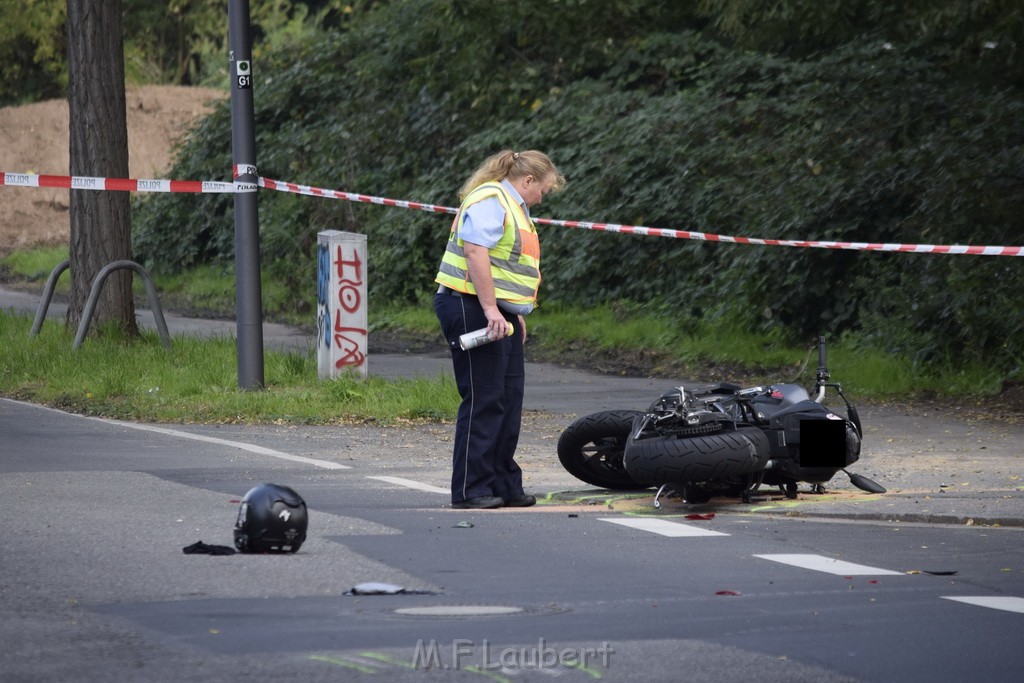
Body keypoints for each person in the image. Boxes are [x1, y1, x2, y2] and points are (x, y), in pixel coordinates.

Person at [434, 149, 565, 509]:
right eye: (544, 190)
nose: (543, 197)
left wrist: (510, 311)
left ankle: (505, 484)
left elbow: (502, 265)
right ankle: (471, 489)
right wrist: (492, 308)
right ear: (528, 181)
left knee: (508, 399)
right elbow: (476, 253)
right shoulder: (492, 200)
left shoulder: (512, 206)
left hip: (493, 310)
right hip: (469, 305)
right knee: (484, 399)